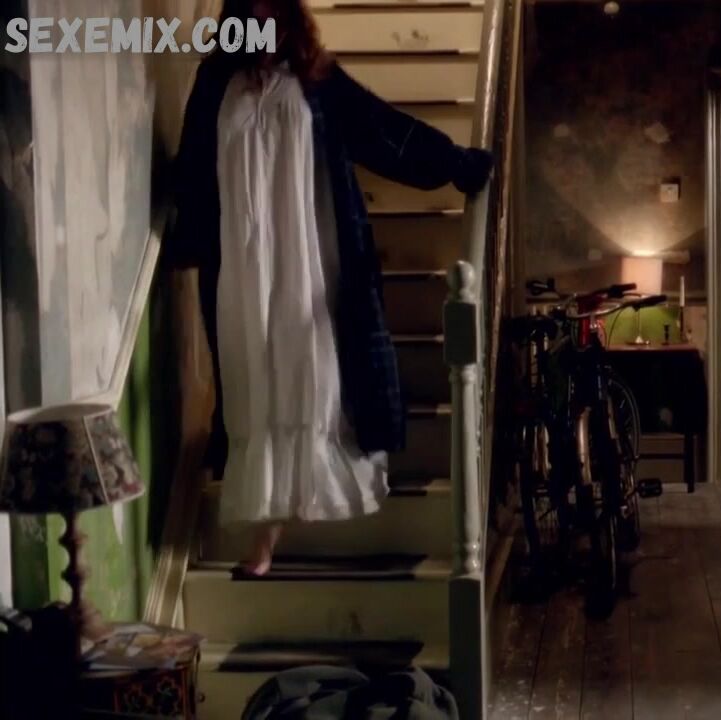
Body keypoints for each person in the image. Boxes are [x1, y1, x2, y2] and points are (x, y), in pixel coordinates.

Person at [169, 0, 493, 575]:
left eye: (273, 16)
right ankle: (263, 541)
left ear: (290, 22)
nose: (264, 27)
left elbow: (381, 129)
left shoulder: (317, 80)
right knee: (254, 389)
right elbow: (192, 169)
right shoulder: (216, 83)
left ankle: (300, 513)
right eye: (253, 15)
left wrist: (455, 163)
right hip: (243, 270)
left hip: (312, 259)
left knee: (312, 380)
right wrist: (184, 241)